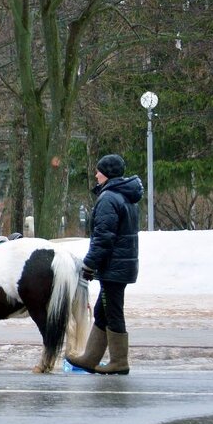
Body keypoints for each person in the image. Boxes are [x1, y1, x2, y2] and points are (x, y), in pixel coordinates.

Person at [66, 154, 141, 375]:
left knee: (113, 311)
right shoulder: (124, 196)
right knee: (103, 310)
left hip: (114, 267)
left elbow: (104, 237)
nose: (96, 175)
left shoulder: (109, 198)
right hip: (121, 265)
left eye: (99, 171)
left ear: (107, 173)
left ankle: (119, 361)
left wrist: (89, 265)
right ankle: (91, 358)